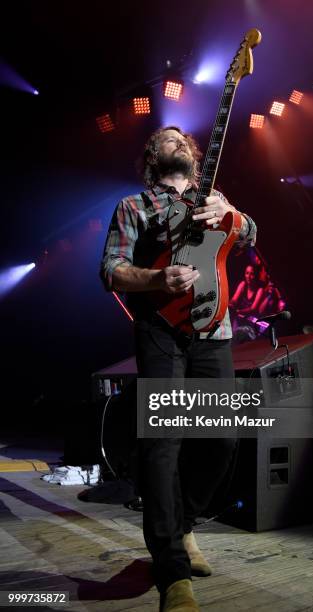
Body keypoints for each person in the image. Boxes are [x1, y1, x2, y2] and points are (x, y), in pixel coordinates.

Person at [100, 126, 256, 611]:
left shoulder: (217, 199)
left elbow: (251, 236)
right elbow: (110, 270)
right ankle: (172, 574)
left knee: (222, 439)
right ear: (152, 156)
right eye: (167, 139)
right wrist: (154, 277)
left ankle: (183, 525)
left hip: (215, 331)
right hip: (161, 331)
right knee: (163, 445)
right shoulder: (134, 207)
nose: (179, 142)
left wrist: (234, 215)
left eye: (183, 138)